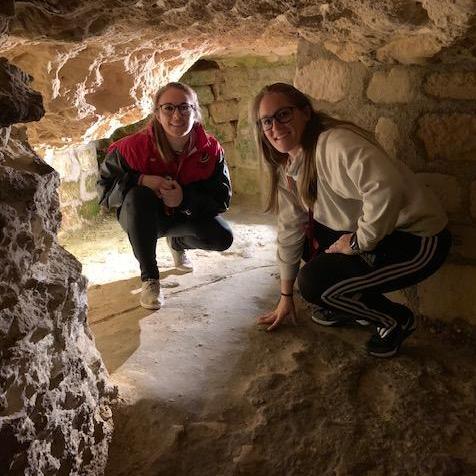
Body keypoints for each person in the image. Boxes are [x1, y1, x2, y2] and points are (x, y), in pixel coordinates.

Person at [251, 82, 451, 358]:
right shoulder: (288, 166)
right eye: (266, 121)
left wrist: (358, 242)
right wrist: (285, 296)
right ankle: (343, 304)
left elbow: (385, 187)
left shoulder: (334, 144)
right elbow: (290, 229)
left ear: (305, 113)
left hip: (418, 238)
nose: (275, 126)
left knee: (313, 283)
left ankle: (394, 320)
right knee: (310, 246)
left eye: (284, 114)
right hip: (381, 231)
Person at [97, 82, 233, 310]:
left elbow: (221, 199)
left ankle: (178, 243)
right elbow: (104, 190)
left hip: (183, 214)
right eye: (168, 108)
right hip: (143, 218)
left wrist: (185, 199)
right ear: (157, 113)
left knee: (222, 237)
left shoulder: (210, 150)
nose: (177, 116)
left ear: (195, 111)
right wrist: (140, 180)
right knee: (139, 196)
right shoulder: (130, 149)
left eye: (184, 108)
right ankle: (150, 278)